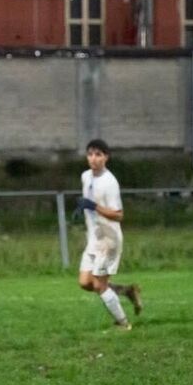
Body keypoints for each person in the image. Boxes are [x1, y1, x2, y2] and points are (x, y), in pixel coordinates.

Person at [77, 139, 142, 330]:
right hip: (93, 238)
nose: (94, 158)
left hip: (108, 240)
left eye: (98, 154)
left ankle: (123, 323)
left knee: (99, 286)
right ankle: (128, 291)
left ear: (106, 157)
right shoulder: (86, 176)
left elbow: (119, 215)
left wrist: (93, 206)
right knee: (85, 282)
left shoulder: (110, 182)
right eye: (90, 154)